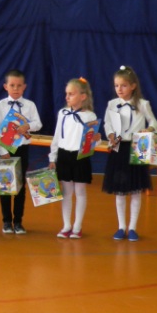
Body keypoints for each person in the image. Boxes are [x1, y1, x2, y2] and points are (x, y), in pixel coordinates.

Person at [102, 65, 157, 241]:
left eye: (124, 85)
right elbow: (107, 123)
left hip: (137, 147)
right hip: (119, 148)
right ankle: (121, 227)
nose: (119, 89)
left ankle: (132, 227)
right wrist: (110, 135)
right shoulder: (112, 104)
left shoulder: (143, 104)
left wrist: (148, 129)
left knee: (135, 189)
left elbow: (154, 122)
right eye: (116, 85)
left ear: (133, 86)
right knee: (119, 190)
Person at [0, 69, 42, 235]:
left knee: (19, 186)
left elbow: (38, 124)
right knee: (4, 185)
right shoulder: (1, 105)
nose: (16, 89)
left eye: (19, 85)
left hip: (22, 149)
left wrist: (28, 126)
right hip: (5, 150)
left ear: (24, 87)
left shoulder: (30, 105)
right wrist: (2, 150)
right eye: (12, 85)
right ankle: (6, 221)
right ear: (5, 86)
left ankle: (18, 222)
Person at [48, 77, 98, 239]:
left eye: (71, 94)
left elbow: (92, 141)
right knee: (66, 192)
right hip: (64, 155)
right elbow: (57, 136)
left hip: (80, 157)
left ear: (83, 96)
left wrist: (96, 140)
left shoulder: (90, 116)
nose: (67, 97)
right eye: (66, 94)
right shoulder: (63, 113)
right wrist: (52, 157)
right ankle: (66, 225)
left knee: (80, 192)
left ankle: (77, 226)